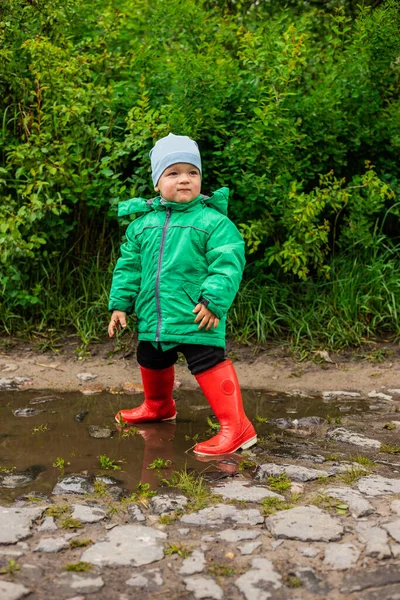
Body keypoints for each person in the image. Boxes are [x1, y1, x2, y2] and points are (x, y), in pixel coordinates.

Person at [108, 133, 257, 456]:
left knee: (206, 361)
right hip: (154, 315)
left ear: (201, 179)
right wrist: (120, 304)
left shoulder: (213, 222)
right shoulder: (142, 226)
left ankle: (237, 426)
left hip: (196, 312)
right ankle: (158, 406)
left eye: (192, 172)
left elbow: (228, 262)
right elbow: (129, 267)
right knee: (150, 356)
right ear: (157, 183)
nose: (184, 179)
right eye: (173, 173)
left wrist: (214, 300)